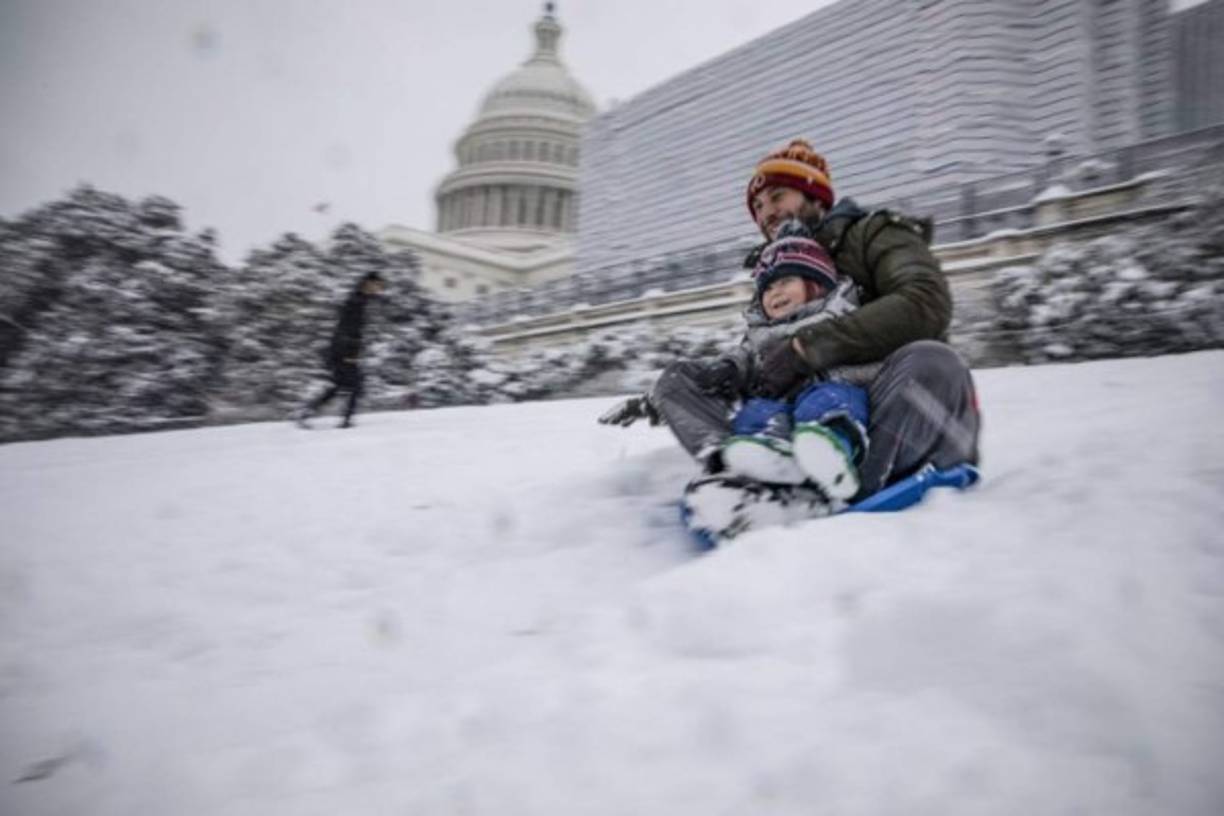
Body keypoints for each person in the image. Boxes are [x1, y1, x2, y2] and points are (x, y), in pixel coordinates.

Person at [602, 138, 980, 502]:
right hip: (798, 419)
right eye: (758, 206)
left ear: (814, 194)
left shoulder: (874, 234)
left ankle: (842, 483)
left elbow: (925, 302)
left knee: (935, 363)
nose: (766, 212)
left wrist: (805, 349)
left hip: (892, 410)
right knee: (694, 382)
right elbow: (762, 350)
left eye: (777, 196)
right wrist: (672, 394)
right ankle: (737, 471)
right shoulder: (776, 272)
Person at [295, 271, 385, 429]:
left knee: (339, 385)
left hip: (340, 349)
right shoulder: (356, 301)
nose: (379, 289)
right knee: (355, 385)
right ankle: (346, 422)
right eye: (377, 285)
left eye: (380, 286)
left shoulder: (360, 299)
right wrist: (351, 353)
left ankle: (306, 412)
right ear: (368, 283)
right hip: (344, 350)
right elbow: (348, 329)